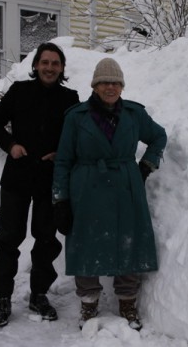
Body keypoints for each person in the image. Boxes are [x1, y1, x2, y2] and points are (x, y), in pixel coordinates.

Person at [51, 57, 167, 330]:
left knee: (129, 239)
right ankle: (89, 304)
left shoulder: (134, 114)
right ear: (95, 85)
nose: (110, 87)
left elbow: (159, 136)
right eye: (104, 82)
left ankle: (127, 302)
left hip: (126, 186)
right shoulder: (76, 117)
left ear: (122, 86)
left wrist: (146, 166)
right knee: (85, 243)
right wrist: (60, 200)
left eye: (115, 82)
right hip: (87, 188)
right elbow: (64, 160)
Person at [0, 42, 80, 327]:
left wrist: (61, 154)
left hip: (49, 179)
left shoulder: (70, 98)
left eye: (55, 63)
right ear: (36, 65)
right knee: (8, 238)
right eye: (45, 62)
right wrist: (11, 144)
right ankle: (3, 297)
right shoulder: (19, 91)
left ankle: (38, 294)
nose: (50, 67)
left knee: (46, 240)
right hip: (17, 176)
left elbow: (76, 137)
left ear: (62, 68)